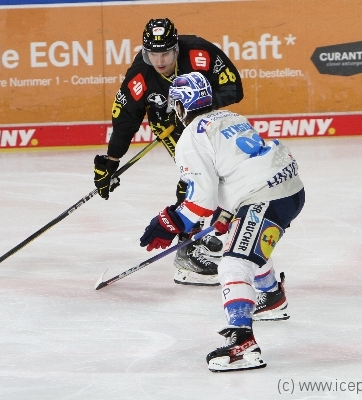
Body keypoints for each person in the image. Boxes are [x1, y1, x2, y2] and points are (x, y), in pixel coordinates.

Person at [138, 72, 305, 372]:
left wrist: (170, 221)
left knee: (233, 263)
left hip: (264, 196)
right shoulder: (230, 117)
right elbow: (234, 169)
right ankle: (271, 296)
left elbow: (200, 201)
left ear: (181, 106)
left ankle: (242, 342)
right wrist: (226, 212)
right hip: (287, 186)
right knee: (243, 243)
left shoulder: (191, 137)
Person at [94, 18, 243, 286]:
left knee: (222, 173)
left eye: (165, 53)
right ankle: (187, 248)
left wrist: (195, 107)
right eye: (153, 54)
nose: (159, 60)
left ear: (176, 49)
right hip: (167, 124)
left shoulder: (200, 53)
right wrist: (111, 160)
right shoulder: (140, 74)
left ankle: (205, 230)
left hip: (207, 118)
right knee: (196, 176)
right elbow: (126, 118)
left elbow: (234, 89)